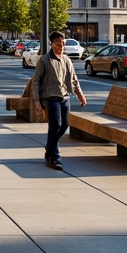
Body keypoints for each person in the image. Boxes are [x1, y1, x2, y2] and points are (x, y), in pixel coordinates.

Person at [31, 31, 87, 170]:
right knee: (55, 125)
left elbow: (73, 78)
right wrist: (37, 101)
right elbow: (36, 81)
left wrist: (80, 94)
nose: (61, 46)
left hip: (65, 96)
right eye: (58, 43)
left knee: (65, 125)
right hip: (51, 97)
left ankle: (50, 147)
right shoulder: (44, 60)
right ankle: (54, 157)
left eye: (63, 43)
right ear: (51, 43)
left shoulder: (66, 59)